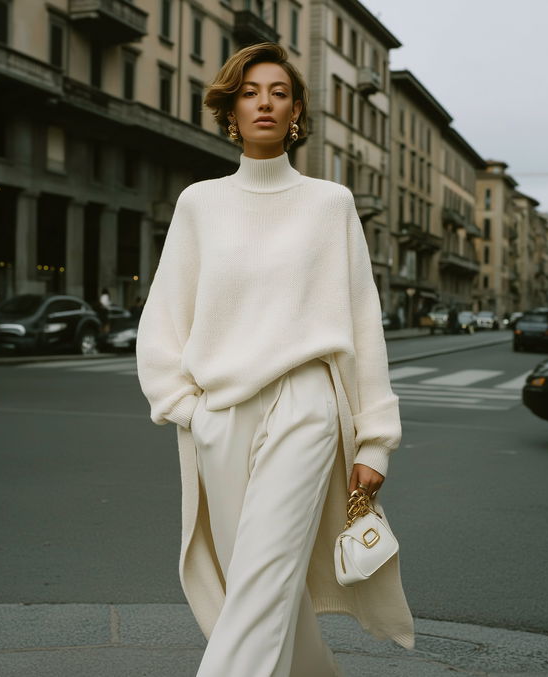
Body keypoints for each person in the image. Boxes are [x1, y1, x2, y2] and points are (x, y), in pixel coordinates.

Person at [135, 43, 413, 677]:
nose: (265, 102)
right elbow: (165, 314)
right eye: (250, 92)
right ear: (232, 111)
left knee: (264, 574)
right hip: (219, 411)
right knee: (257, 579)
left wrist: (375, 440)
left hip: (307, 403)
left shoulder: (330, 203)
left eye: (279, 92)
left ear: (296, 113)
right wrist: (186, 407)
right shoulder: (200, 203)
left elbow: (363, 322)